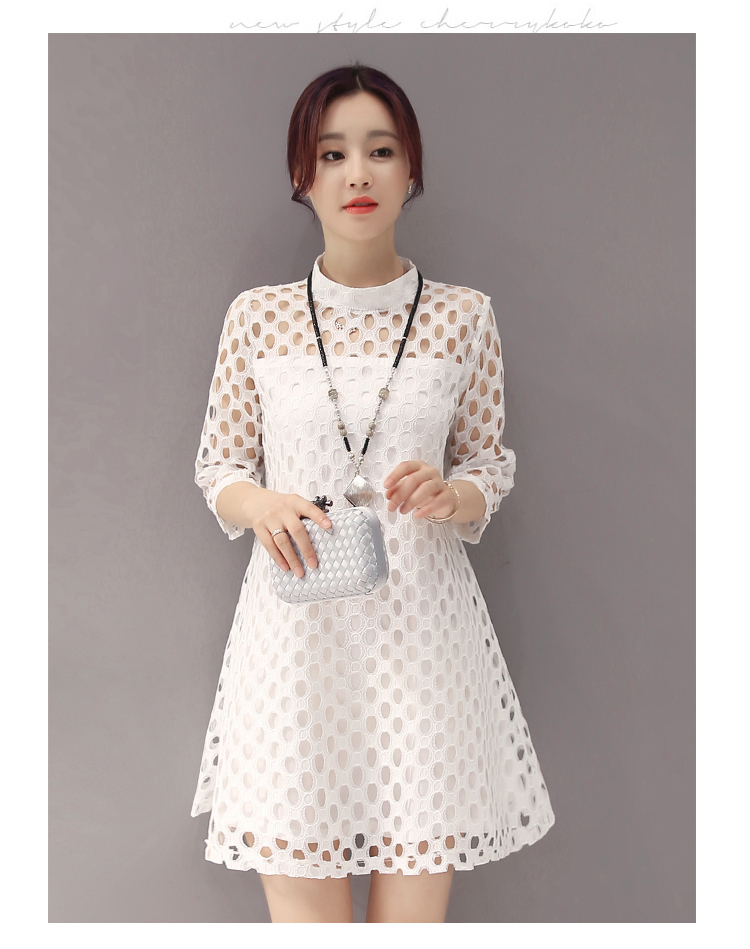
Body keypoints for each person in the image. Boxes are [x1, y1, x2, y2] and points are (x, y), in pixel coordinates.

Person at [190, 62, 555, 923]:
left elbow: (490, 464)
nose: (358, 173)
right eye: (332, 153)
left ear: (411, 167)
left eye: (381, 150)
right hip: (293, 648)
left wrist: (454, 493)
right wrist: (262, 504)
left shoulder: (463, 316)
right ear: (301, 173)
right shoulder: (258, 317)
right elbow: (218, 466)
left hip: (425, 644)